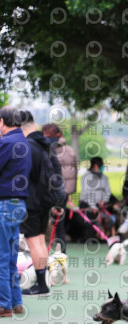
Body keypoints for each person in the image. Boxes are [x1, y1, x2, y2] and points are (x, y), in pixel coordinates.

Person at [20, 111, 64, 296]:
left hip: (32, 200)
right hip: (47, 199)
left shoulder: (27, 146)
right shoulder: (46, 144)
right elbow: (57, 172)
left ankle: (41, 284)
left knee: (34, 242)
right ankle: (43, 281)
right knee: (39, 240)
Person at [0, 107, 30, 317]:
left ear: (2, 122)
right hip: (19, 204)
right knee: (10, 258)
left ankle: (4, 305)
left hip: (4, 204)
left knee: (2, 259)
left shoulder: (6, 143)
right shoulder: (24, 142)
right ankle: (16, 302)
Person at [42, 123, 78, 252]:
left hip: (50, 190)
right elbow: (74, 172)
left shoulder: (46, 149)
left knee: (44, 220)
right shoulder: (70, 150)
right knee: (60, 222)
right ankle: (62, 252)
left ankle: (42, 251)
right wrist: (69, 191)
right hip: (64, 191)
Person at [79, 157, 116, 238]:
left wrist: (104, 200)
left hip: (101, 204)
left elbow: (108, 191)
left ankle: (111, 234)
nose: (103, 167)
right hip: (88, 204)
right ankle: (94, 236)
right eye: (101, 165)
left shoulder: (104, 177)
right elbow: (87, 193)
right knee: (91, 215)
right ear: (95, 165)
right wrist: (93, 206)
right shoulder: (87, 177)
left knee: (113, 210)